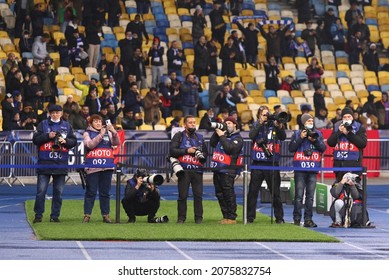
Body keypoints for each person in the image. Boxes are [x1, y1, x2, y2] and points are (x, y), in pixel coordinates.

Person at [32, 104, 77, 223]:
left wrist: (65, 141)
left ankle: (55, 216)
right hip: (45, 163)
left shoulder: (67, 125)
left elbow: (74, 142)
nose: (55, 114)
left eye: (57, 112)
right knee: (41, 191)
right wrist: (48, 136)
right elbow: (35, 140)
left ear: (61, 113)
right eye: (53, 112)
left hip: (60, 163)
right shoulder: (43, 124)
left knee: (58, 192)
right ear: (49, 113)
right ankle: (38, 215)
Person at [247, 106, 287, 224]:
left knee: (275, 192)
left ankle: (279, 217)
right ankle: (250, 217)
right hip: (258, 163)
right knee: (253, 191)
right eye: (264, 114)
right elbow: (251, 136)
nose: (266, 116)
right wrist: (260, 122)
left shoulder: (274, 125)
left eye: (267, 114)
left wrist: (279, 125)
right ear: (259, 115)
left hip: (272, 163)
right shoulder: (255, 125)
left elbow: (283, 137)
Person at [289, 113, 326, 227]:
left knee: (310, 196)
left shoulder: (318, 134)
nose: (310, 123)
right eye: (308, 121)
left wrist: (314, 140)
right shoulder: (296, 134)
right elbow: (291, 148)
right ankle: (296, 218)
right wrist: (301, 138)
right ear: (303, 123)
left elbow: (323, 148)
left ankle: (308, 219)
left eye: (311, 121)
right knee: (299, 195)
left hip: (312, 168)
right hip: (300, 168)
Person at [169, 115, 208, 224]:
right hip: (183, 171)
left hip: (197, 170)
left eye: (194, 122)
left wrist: (200, 155)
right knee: (182, 196)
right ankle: (181, 218)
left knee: (198, 195)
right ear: (184, 124)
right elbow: (172, 151)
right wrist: (187, 151)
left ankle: (199, 218)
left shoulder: (199, 137)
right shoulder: (179, 136)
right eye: (190, 122)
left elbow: (206, 153)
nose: (192, 124)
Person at [82, 114, 120, 223]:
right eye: (95, 121)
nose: (98, 123)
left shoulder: (107, 132)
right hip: (93, 166)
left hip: (107, 166)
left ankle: (106, 215)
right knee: (91, 192)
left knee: (105, 193)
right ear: (91, 123)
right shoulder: (87, 133)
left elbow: (116, 143)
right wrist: (101, 135)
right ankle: (87, 215)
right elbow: (89, 145)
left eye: (99, 121)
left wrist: (113, 132)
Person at [210, 116, 244, 224]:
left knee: (228, 193)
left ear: (235, 125)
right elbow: (212, 143)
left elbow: (229, 149)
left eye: (229, 123)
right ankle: (225, 216)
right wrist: (217, 133)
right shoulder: (222, 136)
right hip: (218, 169)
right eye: (226, 123)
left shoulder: (237, 138)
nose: (227, 125)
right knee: (219, 194)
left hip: (228, 170)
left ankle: (232, 217)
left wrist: (222, 136)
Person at [327, 107, 367, 181]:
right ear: (342, 118)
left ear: (352, 117)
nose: (347, 118)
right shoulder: (337, 126)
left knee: (354, 189)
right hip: (339, 164)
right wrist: (339, 132)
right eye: (344, 117)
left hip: (354, 164)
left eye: (349, 116)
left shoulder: (359, 127)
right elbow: (330, 143)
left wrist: (348, 134)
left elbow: (362, 144)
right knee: (339, 189)